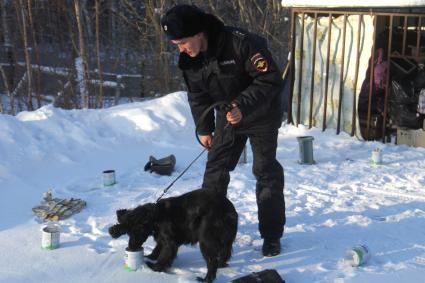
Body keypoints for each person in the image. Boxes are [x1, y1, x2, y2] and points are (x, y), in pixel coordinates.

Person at [161, 4, 285, 257]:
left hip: (261, 114)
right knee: (215, 170)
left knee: (265, 171)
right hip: (228, 117)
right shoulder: (189, 61)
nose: (181, 49)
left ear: (198, 33)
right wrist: (204, 128)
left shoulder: (241, 44)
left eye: (183, 42)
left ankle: (271, 235)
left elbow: (270, 78)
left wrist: (242, 105)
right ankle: (213, 231)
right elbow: (197, 96)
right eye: (176, 45)